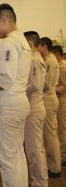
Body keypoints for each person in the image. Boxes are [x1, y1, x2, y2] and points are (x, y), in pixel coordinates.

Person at [0, 3, 31, 187]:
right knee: (17, 156)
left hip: (8, 106)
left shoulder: (7, 44)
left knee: (7, 160)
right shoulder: (23, 42)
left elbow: (5, 80)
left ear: (4, 20)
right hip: (19, 102)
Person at [23, 31, 48, 187]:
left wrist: (17, 88)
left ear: (30, 44)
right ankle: (40, 180)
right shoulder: (36, 59)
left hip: (34, 108)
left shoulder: (33, 59)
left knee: (34, 150)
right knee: (37, 148)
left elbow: (35, 85)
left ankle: (39, 182)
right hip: (35, 106)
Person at [38, 37, 61, 178]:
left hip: (48, 98)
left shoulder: (49, 62)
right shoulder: (50, 60)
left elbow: (45, 84)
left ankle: (54, 167)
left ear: (44, 46)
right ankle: (54, 165)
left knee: (50, 135)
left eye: (39, 46)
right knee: (51, 134)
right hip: (49, 98)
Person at [52, 45, 66, 168]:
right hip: (61, 100)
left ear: (57, 54)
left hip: (63, 100)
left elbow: (64, 85)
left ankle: (63, 156)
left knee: (62, 130)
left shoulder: (62, 66)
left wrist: (53, 90)